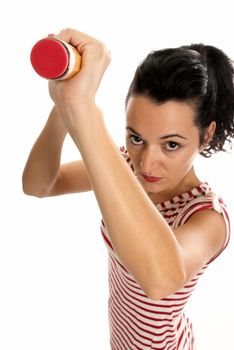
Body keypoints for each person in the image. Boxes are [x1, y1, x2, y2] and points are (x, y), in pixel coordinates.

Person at [22, 28, 234, 350]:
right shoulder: (126, 170)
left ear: (206, 136)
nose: (147, 164)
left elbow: (160, 279)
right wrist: (65, 105)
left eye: (172, 144)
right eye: (136, 138)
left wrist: (85, 111)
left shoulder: (208, 217)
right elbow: (40, 184)